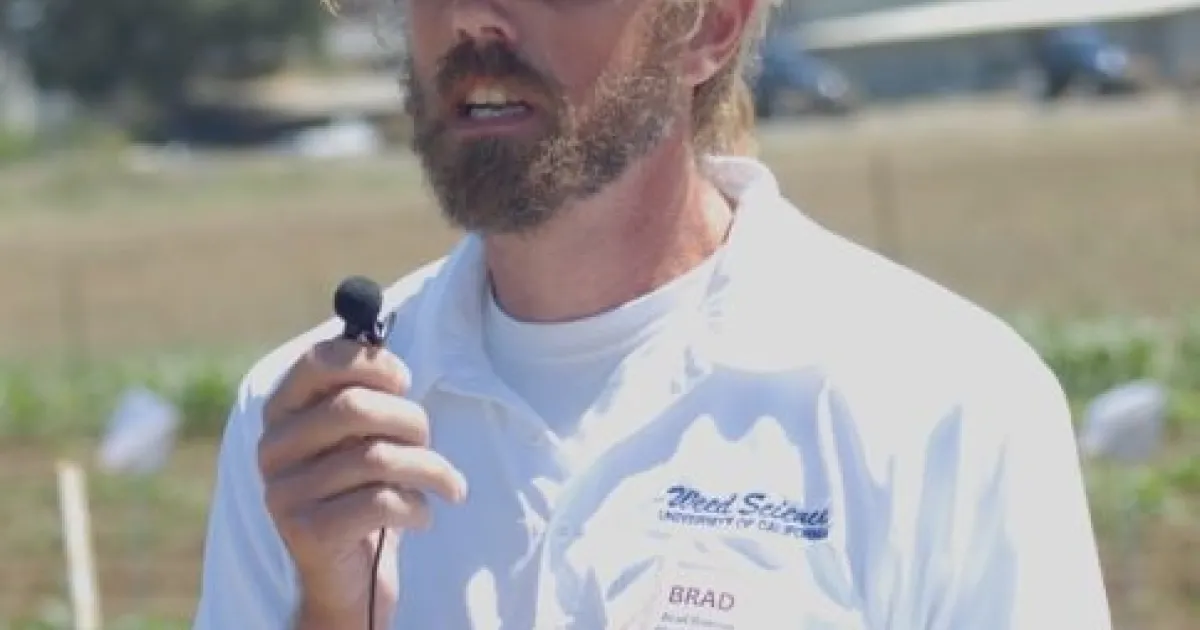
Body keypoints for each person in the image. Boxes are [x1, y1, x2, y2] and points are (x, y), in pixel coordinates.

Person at [192, 0, 1112, 627]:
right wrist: (327, 613)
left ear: (709, 25)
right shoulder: (311, 426)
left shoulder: (945, 400)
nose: (471, 16)